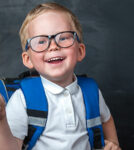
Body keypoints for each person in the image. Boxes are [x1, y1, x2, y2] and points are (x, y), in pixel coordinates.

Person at [0, 2, 121, 150]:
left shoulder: (91, 91)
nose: (53, 46)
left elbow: (107, 119)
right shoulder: (23, 99)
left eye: (63, 38)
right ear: (28, 59)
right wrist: (2, 121)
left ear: (80, 51)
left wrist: (113, 143)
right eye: (41, 41)